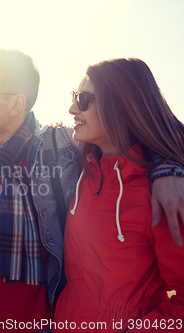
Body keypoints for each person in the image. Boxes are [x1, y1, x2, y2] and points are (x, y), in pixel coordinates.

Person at [0, 49, 184, 333]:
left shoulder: (63, 151)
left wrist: (169, 168)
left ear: (16, 104)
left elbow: (147, 128)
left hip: (43, 323)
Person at [53, 58, 184, 332]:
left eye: (84, 99)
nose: (72, 108)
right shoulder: (85, 169)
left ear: (122, 108)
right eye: (74, 97)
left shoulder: (164, 193)